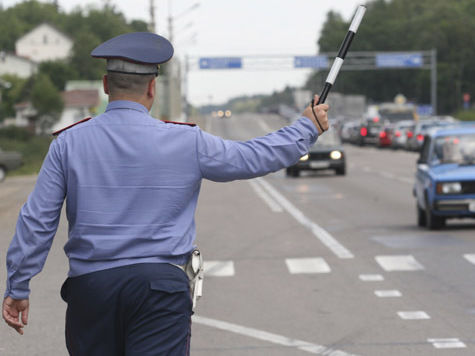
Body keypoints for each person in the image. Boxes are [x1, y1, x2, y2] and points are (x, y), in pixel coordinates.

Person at [2, 32, 329, 355]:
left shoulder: (67, 144)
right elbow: (253, 157)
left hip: (91, 291)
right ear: (152, 88)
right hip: (160, 290)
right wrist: (306, 126)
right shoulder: (187, 141)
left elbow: (37, 220)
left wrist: (19, 285)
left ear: (106, 85)